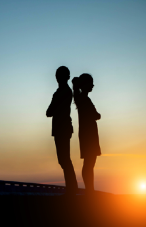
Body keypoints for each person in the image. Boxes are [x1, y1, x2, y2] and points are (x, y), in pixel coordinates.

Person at [46, 66, 78, 196]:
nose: (56, 77)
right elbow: (50, 112)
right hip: (63, 128)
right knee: (64, 159)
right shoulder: (64, 91)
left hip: (62, 128)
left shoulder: (61, 92)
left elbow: (49, 112)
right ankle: (71, 188)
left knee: (64, 159)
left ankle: (72, 189)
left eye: (58, 75)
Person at [72, 74, 101, 195]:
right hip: (89, 135)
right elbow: (96, 115)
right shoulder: (85, 99)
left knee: (89, 163)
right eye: (91, 83)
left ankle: (90, 189)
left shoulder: (81, 98)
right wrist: (97, 114)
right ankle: (90, 190)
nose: (93, 86)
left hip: (86, 134)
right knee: (90, 163)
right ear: (85, 85)